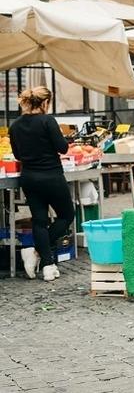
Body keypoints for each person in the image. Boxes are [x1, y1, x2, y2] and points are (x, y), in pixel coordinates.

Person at [9, 87, 75, 281]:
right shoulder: (48, 121)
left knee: (39, 220)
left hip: (29, 177)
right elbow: (62, 148)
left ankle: (47, 264)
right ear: (46, 103)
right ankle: (38, 252)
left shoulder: (15, 126)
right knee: (66, 215)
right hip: (51, 176)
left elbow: (18, 155)